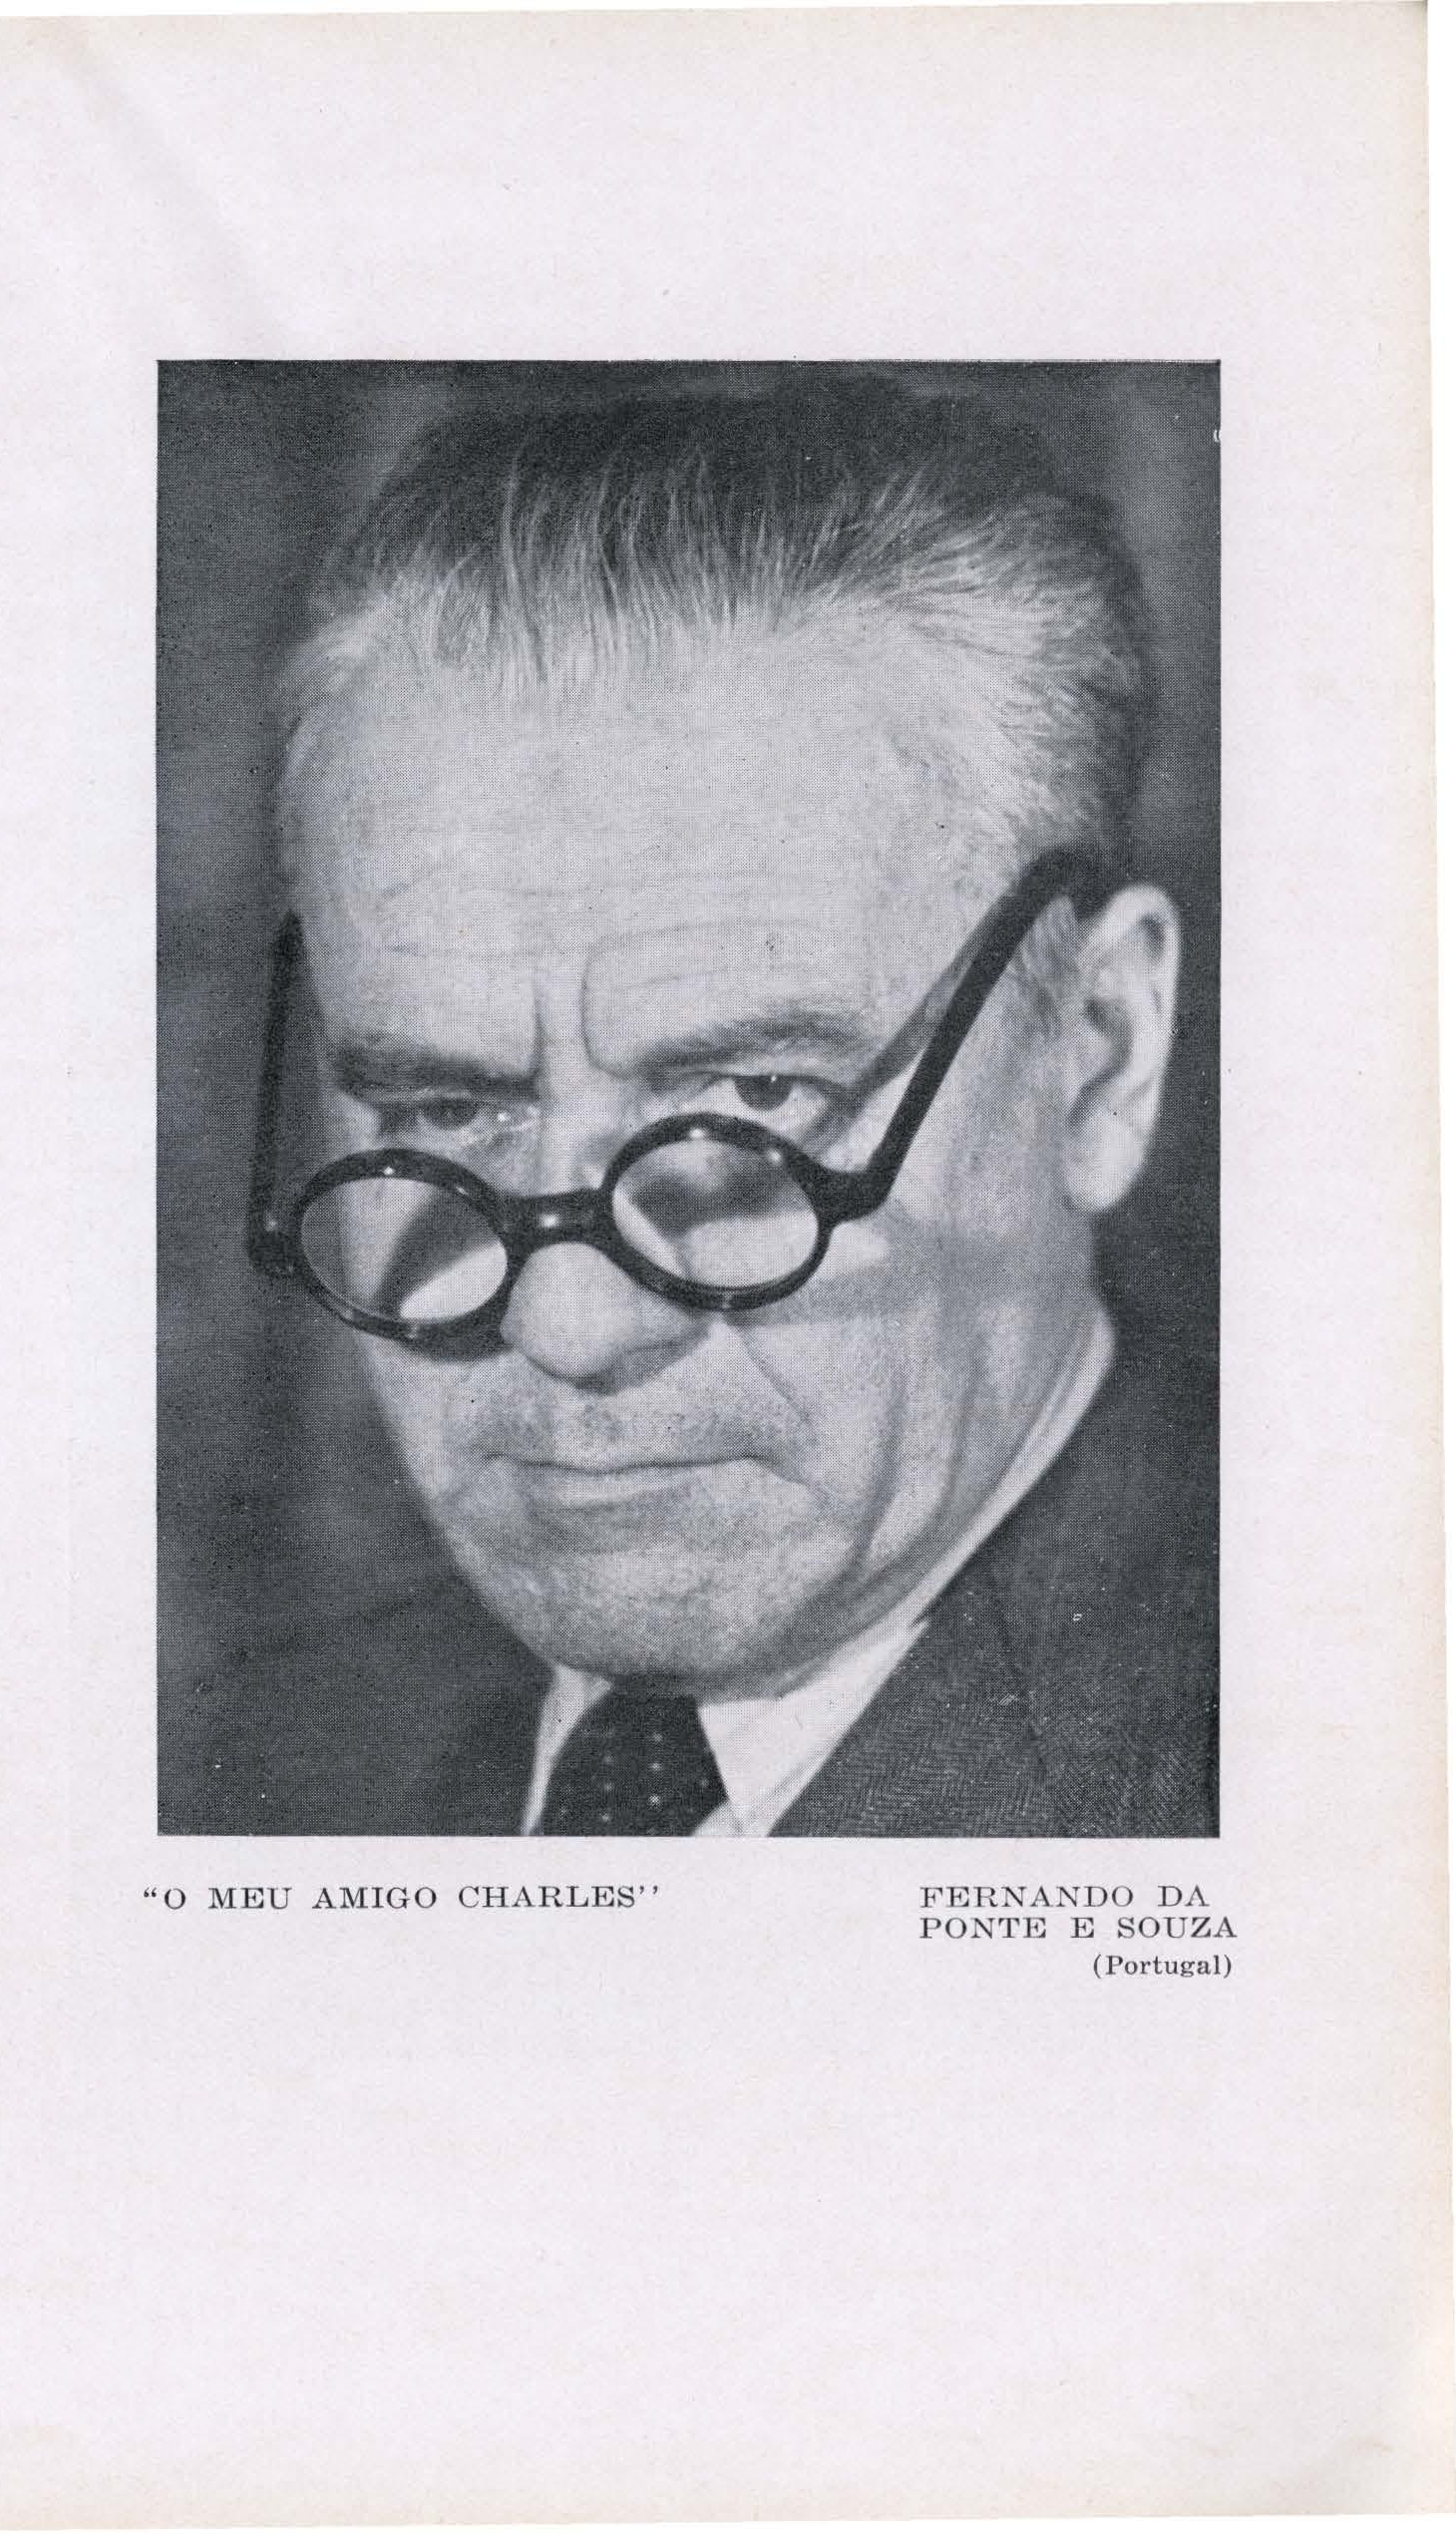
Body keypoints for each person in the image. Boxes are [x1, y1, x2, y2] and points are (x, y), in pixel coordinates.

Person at [221, 374, 1217, 1838]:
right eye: (443, 1106)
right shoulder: (252, 1764)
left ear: (1102, 1049)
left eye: (753, 1101)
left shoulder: (1315, 1788)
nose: (570, 1325)